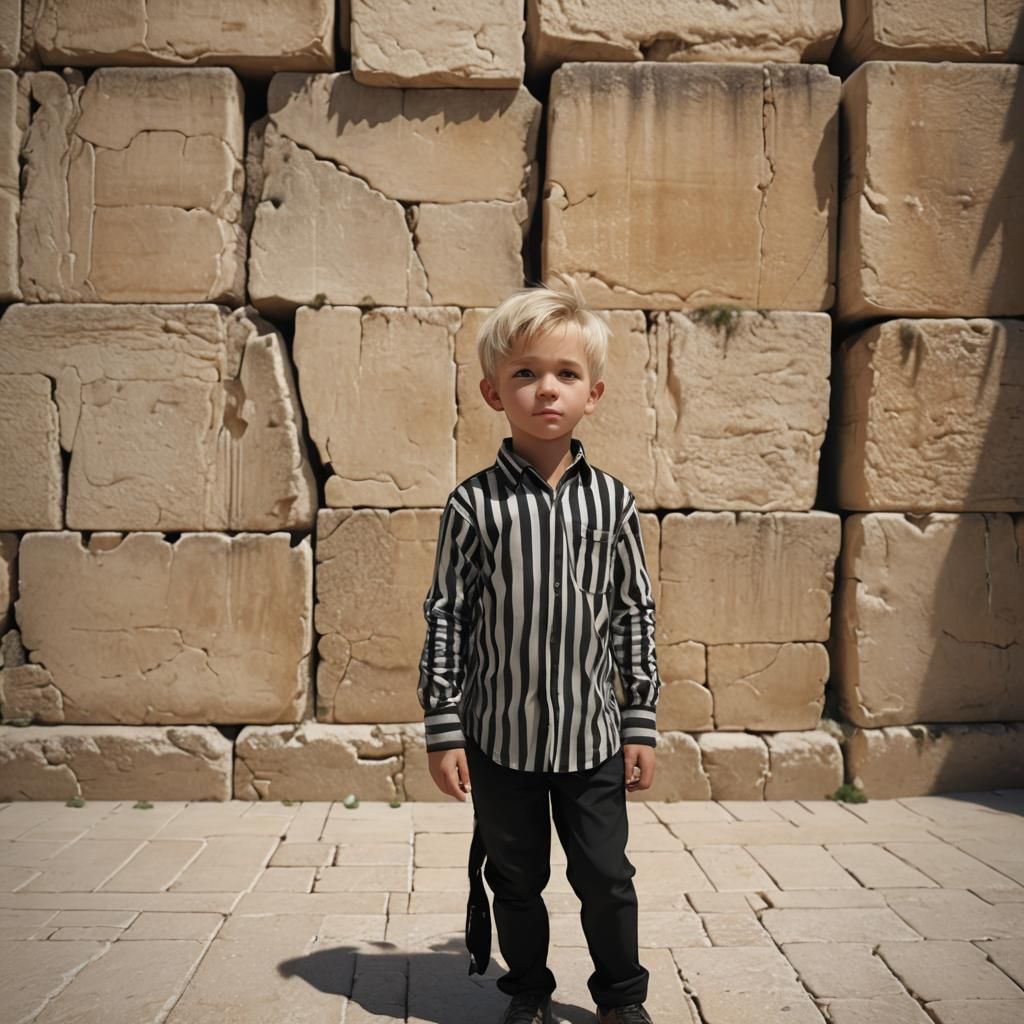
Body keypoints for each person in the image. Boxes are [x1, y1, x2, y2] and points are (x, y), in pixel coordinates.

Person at [417, 275, 661, 1024]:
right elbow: (447, 616)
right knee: (515, 879)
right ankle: (526, 990)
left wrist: (639, 717)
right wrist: (444, 727)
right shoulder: (472, 505)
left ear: (595, 393)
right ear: (494, 393)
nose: (545, 390)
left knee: (606, 878)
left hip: (590, 738)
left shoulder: (612, 502)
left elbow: (634, 610)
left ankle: (621, 999)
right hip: (500, 740)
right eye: (524, 373)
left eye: (565, 374)